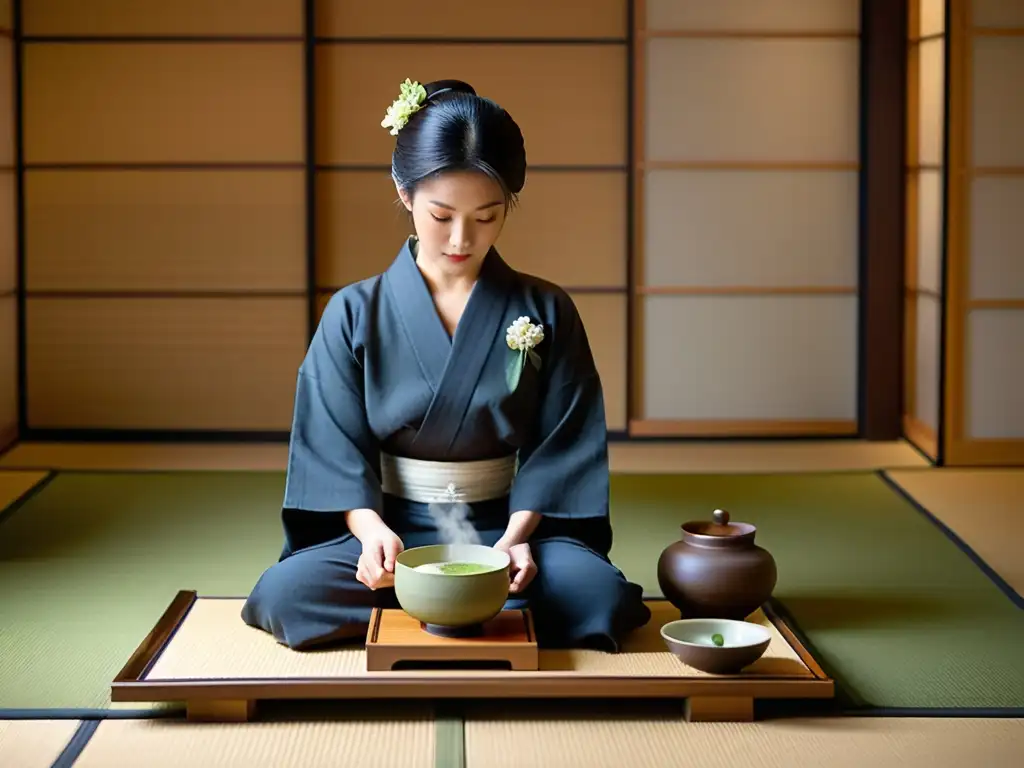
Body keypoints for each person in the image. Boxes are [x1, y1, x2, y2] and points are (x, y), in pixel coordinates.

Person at [240, 78, 651, 652]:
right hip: (394, 530)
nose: (462, 238)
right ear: (404, 193)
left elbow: (563, 447)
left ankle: (448, 603)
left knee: (598, 597)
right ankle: (457, 605)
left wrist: (514, 539)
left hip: (506, 529)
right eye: (441, 215)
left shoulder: (545, 309)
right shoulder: (354, 311)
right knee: (286, 597)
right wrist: (370, 532)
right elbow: (331, 448)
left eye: (487, 216)